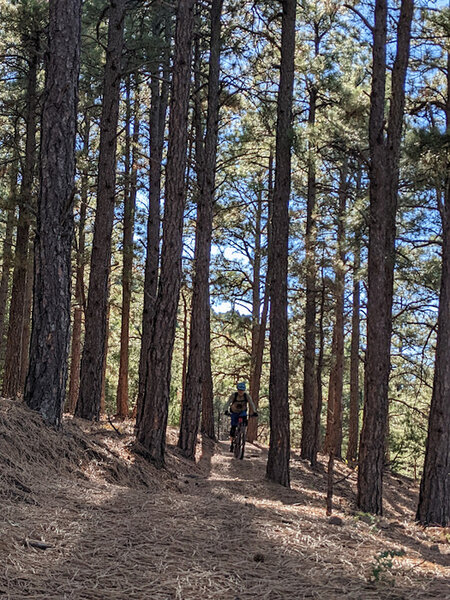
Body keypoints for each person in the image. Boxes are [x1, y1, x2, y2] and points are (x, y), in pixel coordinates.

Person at [225, 382, 258, 452]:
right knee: (233, 428)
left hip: (242, 412)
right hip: (234, 411)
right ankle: (232, 443)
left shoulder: (246, 396)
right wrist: (225, 410)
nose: (241, 392)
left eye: (242, 390)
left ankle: (242, 433)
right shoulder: (234, 395)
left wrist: (254, 412)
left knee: (244, 422)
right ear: (237, 389)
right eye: (239, 390)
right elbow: (228, 402)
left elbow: (251, 403)